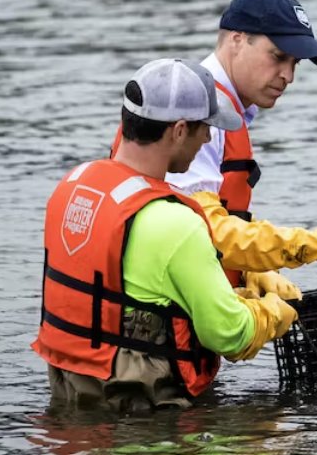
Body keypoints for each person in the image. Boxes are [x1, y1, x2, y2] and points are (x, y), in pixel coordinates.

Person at [34, 59, 300, 412]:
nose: (208, 138)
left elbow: (130, 293)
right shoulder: (176, 222)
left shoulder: (73, 187)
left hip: (72, 396)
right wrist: (274, 311)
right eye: (205, 128)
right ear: (179, 131)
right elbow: (230, 335)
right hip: (145, 416)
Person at [112, 0, 317, 290]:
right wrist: (316, 246)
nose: (288, 76)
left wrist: (254, 269)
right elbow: (198, 228)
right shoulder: (198, 115)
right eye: (278, 57)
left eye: (295, 63)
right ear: (237, 40)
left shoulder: (217, 103)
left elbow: (208, 215)